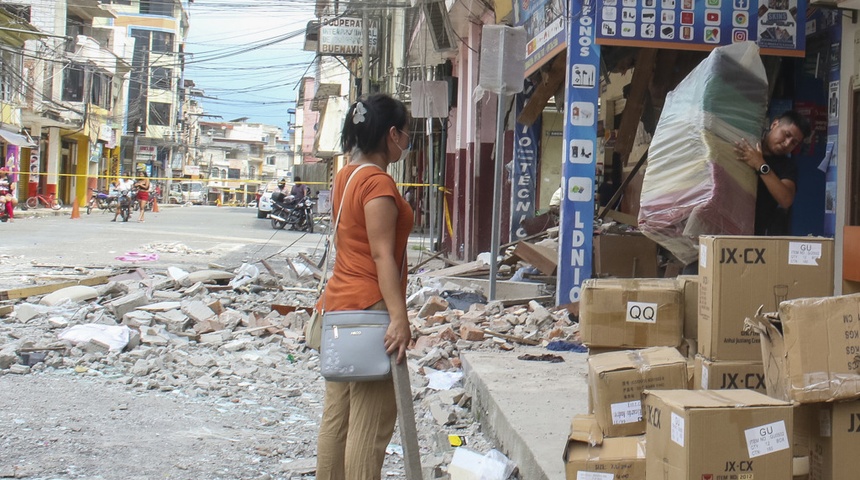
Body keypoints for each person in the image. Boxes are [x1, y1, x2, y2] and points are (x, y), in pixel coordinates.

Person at [316, 94, 413, 480]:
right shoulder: (377, 184)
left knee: (337, 417)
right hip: (371, 310)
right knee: (370, 426)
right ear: (391, 134)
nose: (406, 142)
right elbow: (381, 256)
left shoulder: (346, 175)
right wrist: (399, 317)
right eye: (405, 134)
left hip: (338, 307)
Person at [734, 110, 811, 236]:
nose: (787, 143)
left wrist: (761, 165)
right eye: (786, 135)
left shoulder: (787, 166)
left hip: (752, 234)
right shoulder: (748, 144)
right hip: (721, 219)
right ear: (774, 124)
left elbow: (786, 199)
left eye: (794, 142)